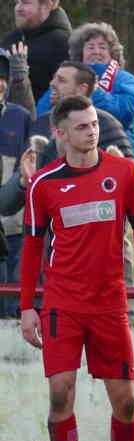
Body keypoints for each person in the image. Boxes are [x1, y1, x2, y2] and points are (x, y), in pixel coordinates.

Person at [19, 95, 134, 441]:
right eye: (82, 126)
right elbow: (32, 248)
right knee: (60, 393)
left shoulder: (125, 172)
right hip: (62, 305)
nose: (92, 131)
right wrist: (28, 306)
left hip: (110, 305)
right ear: (61, 133)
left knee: (126, 404)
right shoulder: (44, 184)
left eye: (95, 124)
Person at [32, 22, 134, 170]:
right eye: (90, 47)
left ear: (113, 53)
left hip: (117, 155)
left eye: (103, 47)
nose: (96, 51)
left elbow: (125, 113)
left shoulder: (125, 79)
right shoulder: (65, 78)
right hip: (68, 160)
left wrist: (90, 90)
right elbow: (42, 115)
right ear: (80, 53)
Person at [0, 51, 31, 318]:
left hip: (14, 226)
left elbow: (27, 166)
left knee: (14, 298)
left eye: (2, 77)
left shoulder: (20, 117)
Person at [1, 0, 72, 102]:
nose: (18, 8)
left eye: (25, 3)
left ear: (46, 6)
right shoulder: (11, 38)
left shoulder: (63, 42)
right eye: (17, 2)